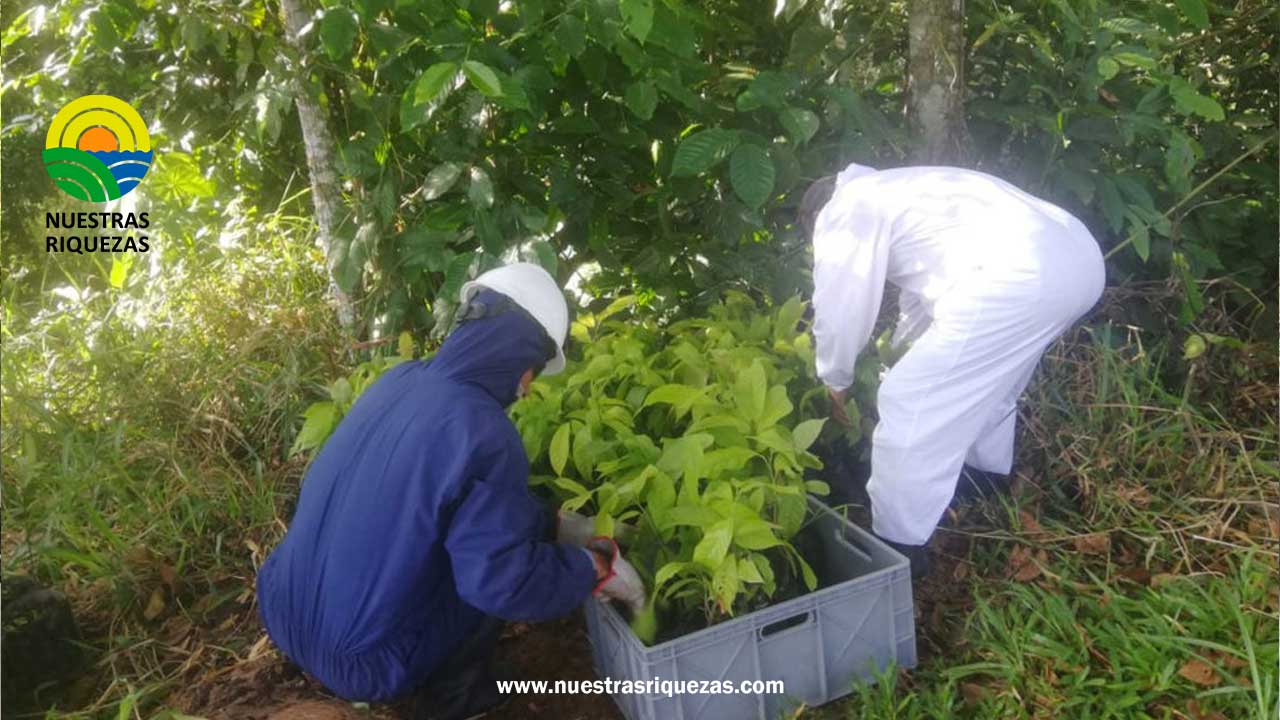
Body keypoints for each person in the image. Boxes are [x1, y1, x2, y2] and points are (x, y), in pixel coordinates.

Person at [256, 263, 645, 720]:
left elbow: (428, 495)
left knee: (475, 536)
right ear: (516, 358)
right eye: (533, 370)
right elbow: (502, 581)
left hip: (282, 604)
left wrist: (555, 525)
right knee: (488, 575)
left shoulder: (399, 381)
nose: (527, 387)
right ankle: (454, 702)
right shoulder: (485, 431)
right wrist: (592, 569)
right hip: (363, 663)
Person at [800, 163, 1105, 578]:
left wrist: (835, 381)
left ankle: (899, 549)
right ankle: (982, 485)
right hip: (1079, 262)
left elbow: (841, 307)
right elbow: (921, 313)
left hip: (1021, 277)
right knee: (987, 386)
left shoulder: (847, 209)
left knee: (907, 401)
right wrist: (898, 362)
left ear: (817, 219)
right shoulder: (898, 190)